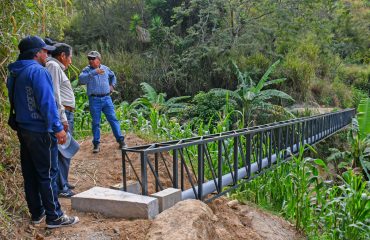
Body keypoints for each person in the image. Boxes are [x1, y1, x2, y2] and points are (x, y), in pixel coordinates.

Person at [6, 35, 79, 228]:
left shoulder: (14, 72)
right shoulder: (38, 72)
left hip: (24, 129)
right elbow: (47, 103)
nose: (48, 54)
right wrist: (57, 128)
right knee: (48, 173)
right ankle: (54, 216)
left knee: (30, 172)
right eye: (45, 51)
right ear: (36, 53)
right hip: (40, 130)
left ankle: (37, 213)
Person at [78, 51, 126, 153]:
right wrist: (94, 72)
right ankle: (96, 144)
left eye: (93, 58)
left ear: (99, 59)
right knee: (96, 122)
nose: (90, 60)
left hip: (106, 99)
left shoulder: (106, 68)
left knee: (113, 119)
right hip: (94, 99)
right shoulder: (87, 70)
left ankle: (121, 141)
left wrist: (112, 85)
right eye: (89, 59)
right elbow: (81, 79)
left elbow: (113, 76)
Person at [46, 43, 76, 198]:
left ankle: (63, 181)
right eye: (70, 57)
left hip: (67, 113)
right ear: (62, 56)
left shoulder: (56, 67)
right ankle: (60, 186)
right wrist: (62, 118)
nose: (70, 61)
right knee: (63, 150)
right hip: (63, 114)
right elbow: (54, 94)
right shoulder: (53, 66)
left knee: (66, 149)